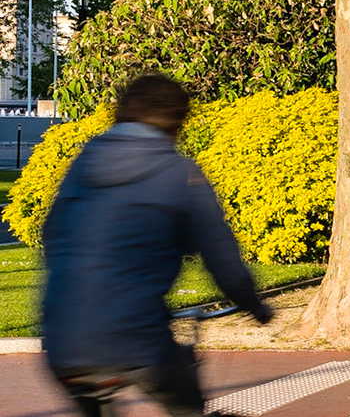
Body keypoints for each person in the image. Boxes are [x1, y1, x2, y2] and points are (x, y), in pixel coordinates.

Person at [41, 73, 272, 417]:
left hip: (62, 339)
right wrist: (255, 306)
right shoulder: (181, 173)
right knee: (188, 408)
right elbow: (223, 261)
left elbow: (51, 235)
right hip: (136, 337)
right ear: (177, 121)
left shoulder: (83, 164)